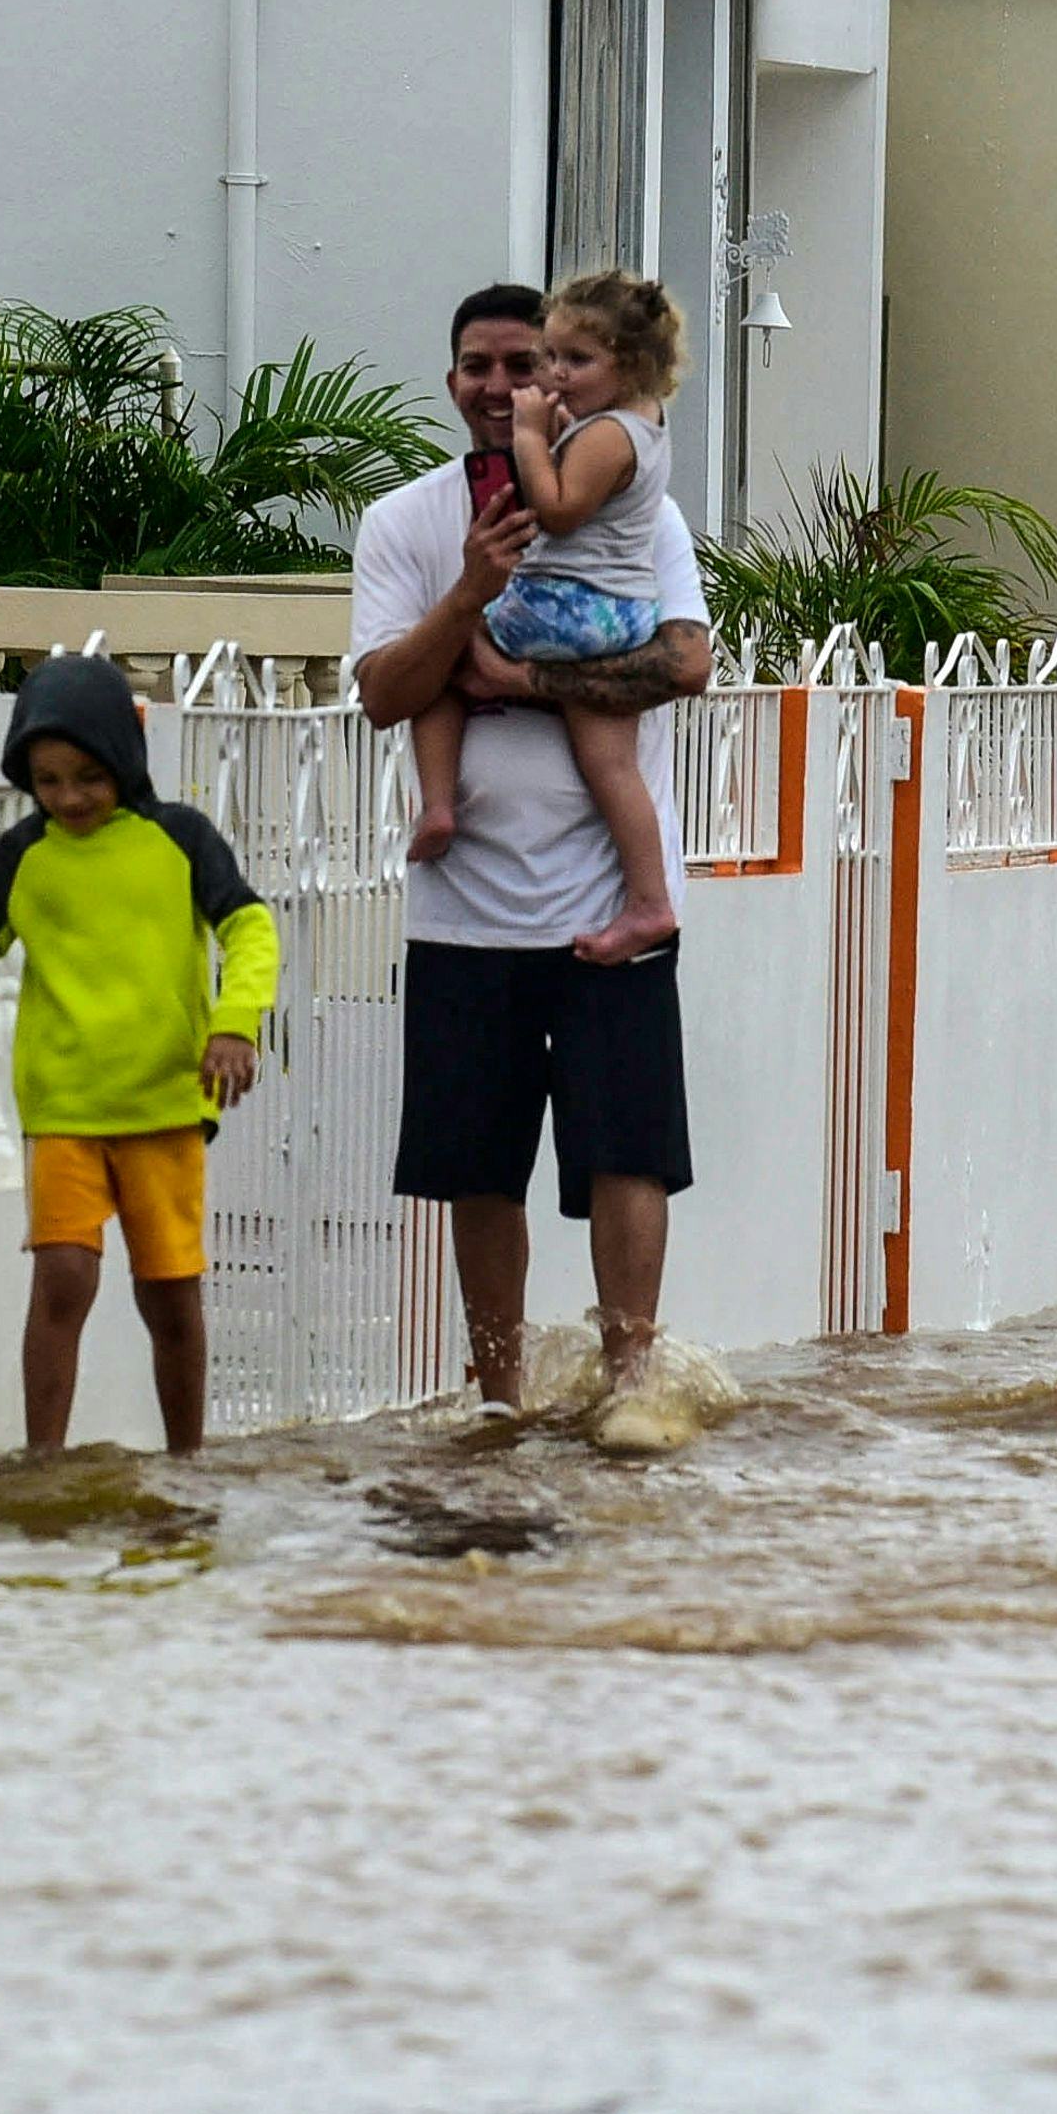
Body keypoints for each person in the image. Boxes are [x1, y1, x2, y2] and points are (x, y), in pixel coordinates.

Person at [351, 283, 709, 1426]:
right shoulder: (403, 522)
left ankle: (631, 1385)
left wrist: (526, 680)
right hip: (461, 908)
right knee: (475, 1166)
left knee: (627, 1151)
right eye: (481, 366)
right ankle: (499, 1391)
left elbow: (684, 664)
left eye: (527, 364)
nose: (504, 386)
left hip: (601, 899)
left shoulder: (631, 504)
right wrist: (469, 590)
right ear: (452, 379)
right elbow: (382, 694)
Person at [0, 656, 279, 1457]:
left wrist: (235, 1022)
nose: (69, 797)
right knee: (63, 1274)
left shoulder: (180, 838)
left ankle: (186, 1458)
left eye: (88, 777)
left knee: (170, 1296)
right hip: (63, 1108)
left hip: (165, 1105)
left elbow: (251, 927)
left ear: (127, 758)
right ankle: (43, 1459)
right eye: (48, 779)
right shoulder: (24, 857)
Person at [404, 270, 686, 971]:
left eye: (573, 361)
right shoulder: (638, 426)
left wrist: (531, 435)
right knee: (612, 766)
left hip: (563, 610)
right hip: (613, 614)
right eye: (553, 358)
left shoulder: (609, 437)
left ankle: (438, 802)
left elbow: (557, 507)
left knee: (440, 652)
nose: (555, 376)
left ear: (631, 365)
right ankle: (648, 898)